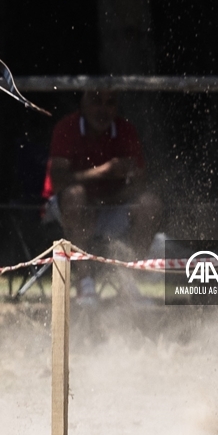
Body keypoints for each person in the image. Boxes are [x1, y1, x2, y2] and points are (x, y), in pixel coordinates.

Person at [42, 90, 162, 298]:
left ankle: (129, 282)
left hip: (110, 207)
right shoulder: (67, 127)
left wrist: (109, 197)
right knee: (75, 196)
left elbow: (141, 183)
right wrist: (104, 171)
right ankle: (84, 282)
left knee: (150, 204)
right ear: (83, 104)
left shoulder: (125, 130)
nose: (103, 110)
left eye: (110, 103)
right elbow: (59, 181)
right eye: (96, 102)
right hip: (68, 209)